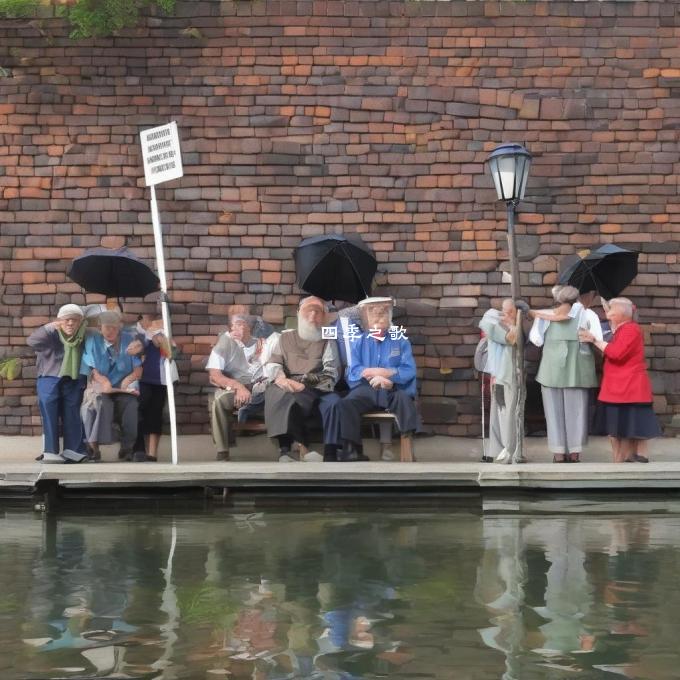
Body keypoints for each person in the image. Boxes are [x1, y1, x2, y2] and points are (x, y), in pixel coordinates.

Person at [579, 297, 661, 463]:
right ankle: (623, 457)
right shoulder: (621, 328)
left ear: (622, 314)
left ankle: (628, 457)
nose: (607, 313)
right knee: (620, 425)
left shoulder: (631, 329)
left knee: (628, 424)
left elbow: (617, 353)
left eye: (611, 311)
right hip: (619, 386)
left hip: (628, 386)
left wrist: (595, 340)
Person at [336, 297, 418, 461]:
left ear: (388, 319)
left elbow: (409, 370)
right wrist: (371, 372)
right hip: (366, 388)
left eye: (382, 316)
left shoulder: (400, 341)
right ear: (367, 320)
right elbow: (353, 370)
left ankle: (407, 446)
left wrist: (388, 375)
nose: (378, 320)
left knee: (404, 400)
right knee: (346, 403)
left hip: (392, 388)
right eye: (374, 317)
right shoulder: (359, 341)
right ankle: (351, 449)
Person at [263, 296, 341, 462]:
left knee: (293, 398)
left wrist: (304, 381)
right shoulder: (283, 338)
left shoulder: (328, 339)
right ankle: (287, 450)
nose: (312, 316)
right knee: (275, 393)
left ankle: (296, 448)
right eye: (308, 311)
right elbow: (273, 363)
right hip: (286, 383)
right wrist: (281, 378)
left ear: (324, 316)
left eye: (317, 312)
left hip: (314, 386)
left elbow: (332, 373)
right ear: (298, 314)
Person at [529, 285, 600, 463]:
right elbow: (598, 338)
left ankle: (558, 453)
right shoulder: (588, 314)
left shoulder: (545, 315)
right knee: (577, 410)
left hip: (552, 366)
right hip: (577, 367)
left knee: (553, 411)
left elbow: (536, 341)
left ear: (557, 299)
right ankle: (574, 453)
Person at [27, 304, 89, 463]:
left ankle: (73, 450)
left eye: (74, 320)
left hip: (74, 378)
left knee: (72, 412)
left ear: (80, 322)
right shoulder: (51, 333)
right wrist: (48, 327)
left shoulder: (85, 334)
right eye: (66, 320)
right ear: (59, 321)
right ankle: (50, 451)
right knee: (49, 411)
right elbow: (32, 341)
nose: (70, 323)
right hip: (49, 376)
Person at [79, 310, 143, 462]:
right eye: (107, 327)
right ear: (100, 328)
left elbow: (138, 368)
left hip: (123, 388)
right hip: (101, 387)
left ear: (119, 328)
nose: (110, 331)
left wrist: (130, 378)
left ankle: (127, 449)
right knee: (98, 404)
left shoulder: (129, 339)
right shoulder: (93, 340)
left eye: (114, 327)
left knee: (131, 406)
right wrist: (103, 381)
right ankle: (93, 447)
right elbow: (91, 368)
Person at [206, 317, 260, 462]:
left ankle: (284, 449)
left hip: (261, 387)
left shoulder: (261, 343)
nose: (236, 329)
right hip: (234, 386)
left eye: (241, 324)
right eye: (233, 326)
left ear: (249, 327)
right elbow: (215, 375)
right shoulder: (224, 344)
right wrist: (238, 387)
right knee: (219, 401)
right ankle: (222, 450)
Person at [479, 299, 520, 464]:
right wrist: (512, 325)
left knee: (506, 412)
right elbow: (510, 339)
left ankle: (505, 448)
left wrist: (514, 325)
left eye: (510, 312)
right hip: (499, 375)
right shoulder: (491, 321)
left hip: (507, 375)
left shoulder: (512, 324)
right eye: (505, 311)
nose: (506, 315)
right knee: (502, 412)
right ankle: (501, 448)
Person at [131, 315, 176, 462]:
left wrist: (162, 340)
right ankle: (138, 448)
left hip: (161, 381)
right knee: (139, 410)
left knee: (156, 414)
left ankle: (152, 453)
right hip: (142, 380)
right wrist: (147, 337)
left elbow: (172, 354)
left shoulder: (166, 340)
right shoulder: (142, 338)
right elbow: (134, 351)